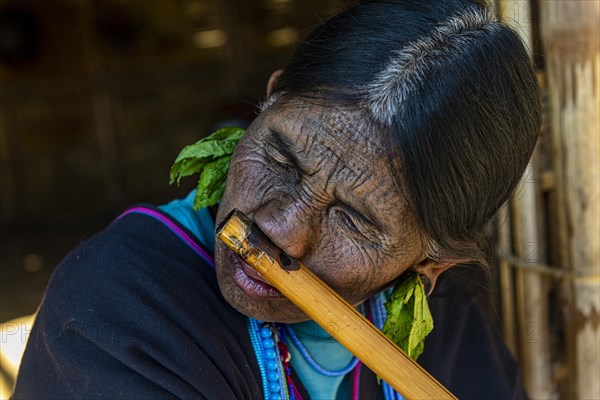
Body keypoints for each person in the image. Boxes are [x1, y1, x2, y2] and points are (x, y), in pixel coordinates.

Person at [12, 0, 540, 399]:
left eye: (352, 220)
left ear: (430, 263)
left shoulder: (443, 322)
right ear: (269, 99)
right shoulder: (113, 309)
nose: (283, 230)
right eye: (281, 161)